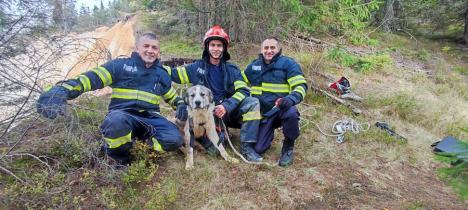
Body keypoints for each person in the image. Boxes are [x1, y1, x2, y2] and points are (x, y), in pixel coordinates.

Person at [36, 33, 188, 165]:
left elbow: (171, 95)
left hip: (150, 118)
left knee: (174, 139)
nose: (150, 50)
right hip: (122, 115)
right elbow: (90, 79)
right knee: (115, 122)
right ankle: (120, 158)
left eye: (154, 48)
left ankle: (140, 145)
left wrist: (180, 104)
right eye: (146, 46)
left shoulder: (161, 74)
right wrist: (62, 90)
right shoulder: (119, 66)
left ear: (158, 51)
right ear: (137, 48)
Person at [169, 25, 263, 162]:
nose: (216, 48)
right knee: (214, 151)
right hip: (209, 115)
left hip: (229, 111)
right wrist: (154, 65)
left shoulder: (232, 70)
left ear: (224, 48)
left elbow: (243, 90)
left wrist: (227, 106)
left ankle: (247, 147)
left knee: (253, 102)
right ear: (207, 46)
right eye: (212, 44)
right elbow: (174, 74)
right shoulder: (196, 67)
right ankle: (208, 137)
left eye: (219, 45)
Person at [243, 37, 308, 167]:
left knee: (292, 113)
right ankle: (267, 132)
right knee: (258, 149)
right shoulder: (254, 66)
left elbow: (301, 86)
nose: (269, 51)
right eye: (266, 48)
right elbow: (239, 80)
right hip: (263, 115)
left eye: (272, 48)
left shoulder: (288, 64)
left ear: (278, 49)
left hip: (281, 109)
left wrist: (290, 99)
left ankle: (288, 147)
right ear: (261, 50)